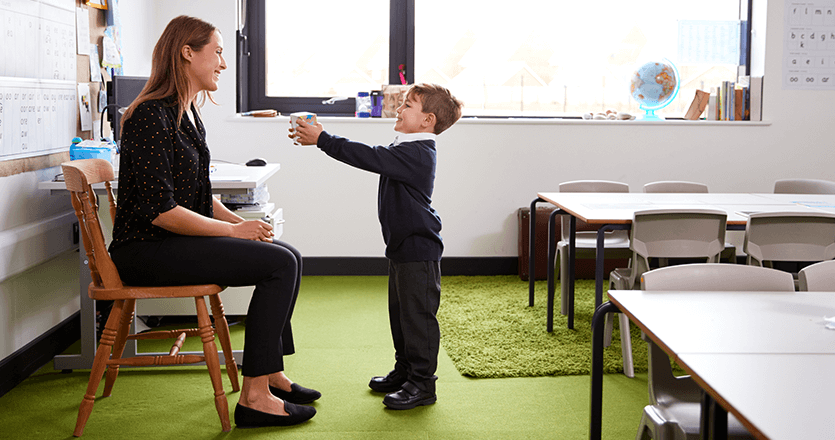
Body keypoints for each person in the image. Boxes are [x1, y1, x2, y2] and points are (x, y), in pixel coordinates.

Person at [108, 15, 318, 428]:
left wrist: (243, 224)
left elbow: (200, 198)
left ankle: (268, 371)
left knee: (283, 253)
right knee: (281, 264)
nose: (223, 63)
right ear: (188, 53)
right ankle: (255, 397)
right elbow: (161, 212)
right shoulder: (150, 116)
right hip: (145, 251)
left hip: (168, 244)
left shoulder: (185, 114)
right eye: (218, 52)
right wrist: (235, 230)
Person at [291, 83, 463, 409]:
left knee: (418, 320)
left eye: (407, 105)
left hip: (418, 251)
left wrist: (323, 139)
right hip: (401, 249)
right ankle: (406, 371)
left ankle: (424, 384)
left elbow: (368, 156)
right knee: (400, 317)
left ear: (427, 120)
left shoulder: (419, 153)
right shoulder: (407, 146)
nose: (399, 109)